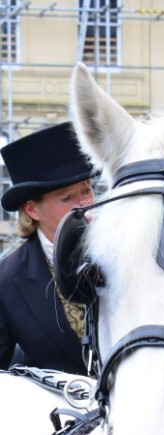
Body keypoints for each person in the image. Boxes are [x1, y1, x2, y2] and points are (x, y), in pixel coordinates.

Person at [0, 121, 95, 374]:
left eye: (87, 189)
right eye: (67, 198)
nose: (84, 204)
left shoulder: (125, 255)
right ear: (32, 209)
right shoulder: (5, 280)